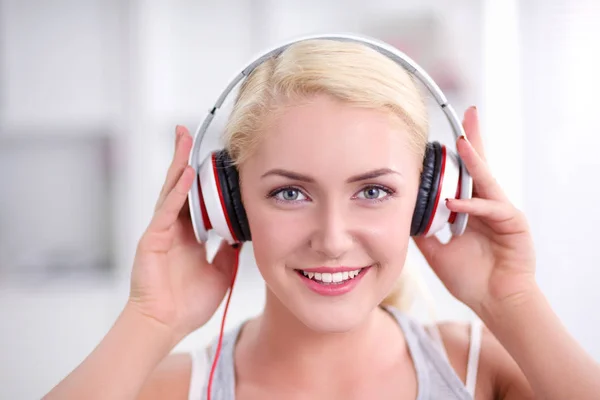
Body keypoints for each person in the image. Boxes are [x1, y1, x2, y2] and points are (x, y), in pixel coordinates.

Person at [44, 38, 600, 400]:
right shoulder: (167, 390)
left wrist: (514, 302)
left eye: (374, 190)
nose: (332, 240)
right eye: (289, 193)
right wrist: (150, 320)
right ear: (227, 206)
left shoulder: (484, 372)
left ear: (432, 199)